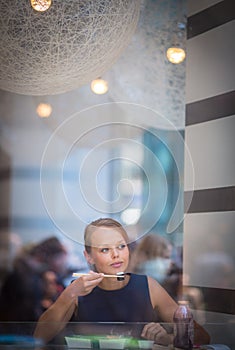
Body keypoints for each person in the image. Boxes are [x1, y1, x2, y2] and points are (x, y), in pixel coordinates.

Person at [34, 218, 210, 346]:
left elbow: (202, 337)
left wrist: (168, 338)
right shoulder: (77, 290)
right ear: (88, 257)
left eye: (121, 246)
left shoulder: (148, 286)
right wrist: (70, 294)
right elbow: (39, 337)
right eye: (105, 249)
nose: (116, 255)